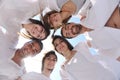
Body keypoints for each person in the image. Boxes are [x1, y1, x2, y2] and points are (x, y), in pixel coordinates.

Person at [52, 35, 120, 80]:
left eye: (61, 41)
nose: (60, 45)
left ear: (66, 42)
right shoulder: (63, 68)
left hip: (106, 76)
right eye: (56, 45)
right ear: (57, 50)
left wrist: (114, 54)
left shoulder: (79, 46)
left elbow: (96, 42)